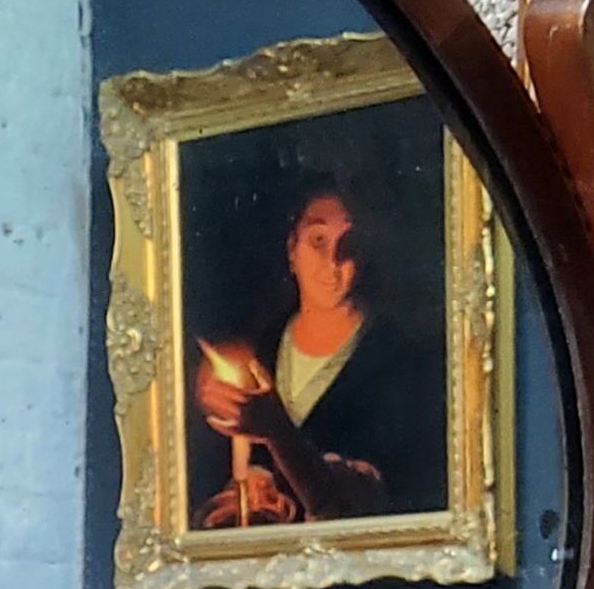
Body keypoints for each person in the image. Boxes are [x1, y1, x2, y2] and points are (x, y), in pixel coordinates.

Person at [190, 177, 445, 527]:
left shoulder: (402, 362)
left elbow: (355, 507)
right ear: (292, 249)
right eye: (318, 240)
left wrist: (277, 431)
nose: (331, 260)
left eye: (349, 245)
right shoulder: (260, 350)